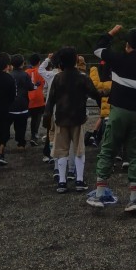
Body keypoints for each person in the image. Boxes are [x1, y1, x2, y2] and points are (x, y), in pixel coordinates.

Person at [86, 25, 136, 213]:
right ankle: (134, 200)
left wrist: (111, 33)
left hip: (118, 111)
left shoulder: (118, 59)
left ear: (127, 44)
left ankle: (99, 195)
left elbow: (98, 49)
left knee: (107, 150)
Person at [43, 47, 101, 193]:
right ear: (75, 59)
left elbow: (50, 100)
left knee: (61, 150)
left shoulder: (58, 78)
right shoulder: (82, 77)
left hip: (61, 118)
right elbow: (95, 94)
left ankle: (62, 182)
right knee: (79, 150)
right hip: (78, 118)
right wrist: (106, 95)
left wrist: (47, 116)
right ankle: (79, 180)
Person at [25, 53, 46, 146]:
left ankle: (21, 138)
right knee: (36, 119)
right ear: (39, 62)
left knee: (24, 119)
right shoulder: (42, 72)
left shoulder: (26, 72)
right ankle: (34, 136)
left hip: (28, 98)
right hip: (39, 98)